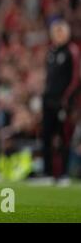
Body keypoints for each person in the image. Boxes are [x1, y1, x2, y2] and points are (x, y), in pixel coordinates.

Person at [41, 20, 80, 183]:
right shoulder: (51, 51)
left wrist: (66, 99)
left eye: (61, 31)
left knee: (63, 137)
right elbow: (49, 78)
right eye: (55, 32)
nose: (58, 35)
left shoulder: (72, 51)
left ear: (67, 33)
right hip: (48, 100)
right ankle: (47, 173)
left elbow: (76, 78)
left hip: (63, 102)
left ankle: (63, 174)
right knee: (46, 136)